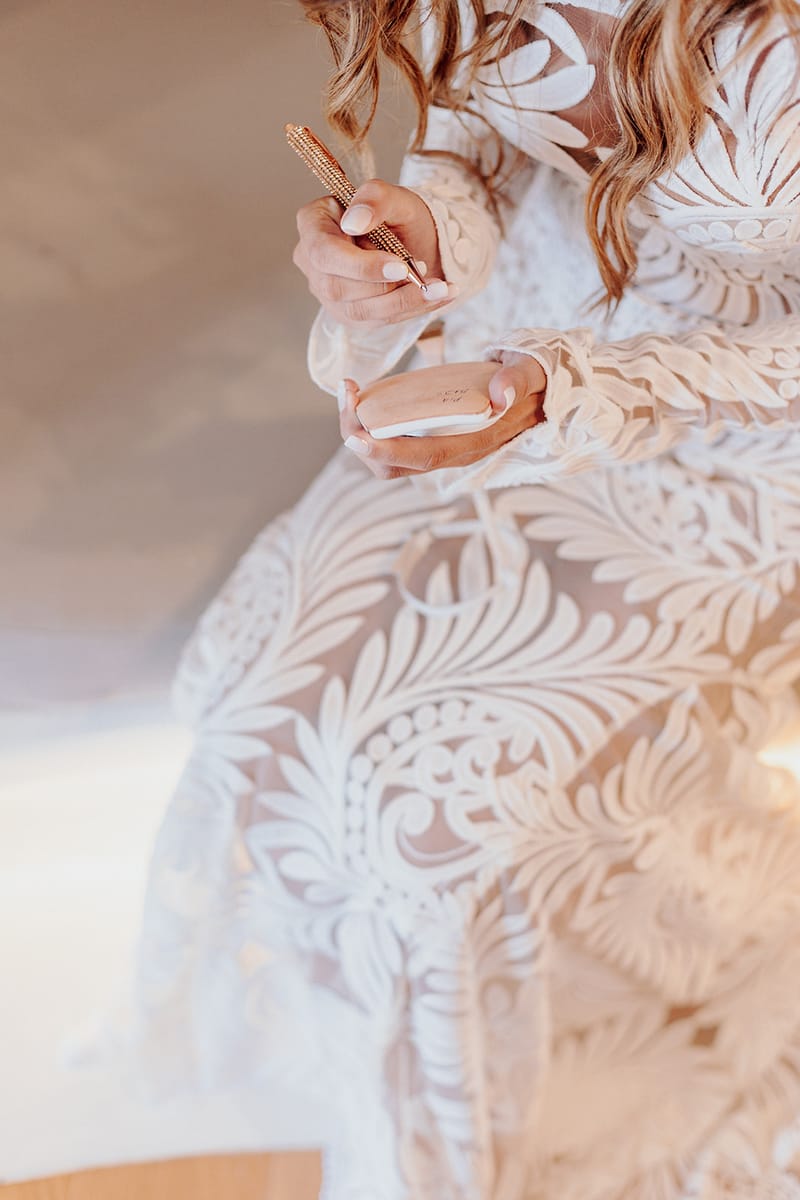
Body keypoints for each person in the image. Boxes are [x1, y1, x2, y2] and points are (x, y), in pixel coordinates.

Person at [130, 1, 800, 1197]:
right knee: (244, 693)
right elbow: (477, 141)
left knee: (440, 828)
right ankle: (369, 1077)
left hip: (748, 456)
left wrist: (573, 385)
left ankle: (563, 1078)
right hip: (524, 360)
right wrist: (420, 234)